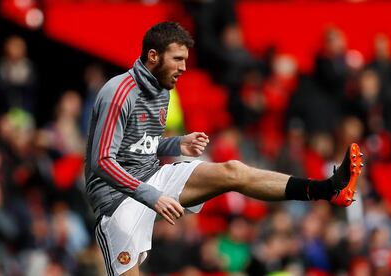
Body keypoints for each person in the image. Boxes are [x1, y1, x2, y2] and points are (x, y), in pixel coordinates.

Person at [84, 22, 364, 276]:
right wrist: (151, 195)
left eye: (185, 60)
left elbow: (139, 144)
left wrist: (176, 143)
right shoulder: (118, 93)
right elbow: (102, 161)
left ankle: (326, 190)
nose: (183, 67)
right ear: (154, 56)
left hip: (152, 180)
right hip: (116, 200)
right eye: (177, 59)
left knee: (233, 171)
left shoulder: (163, 89)